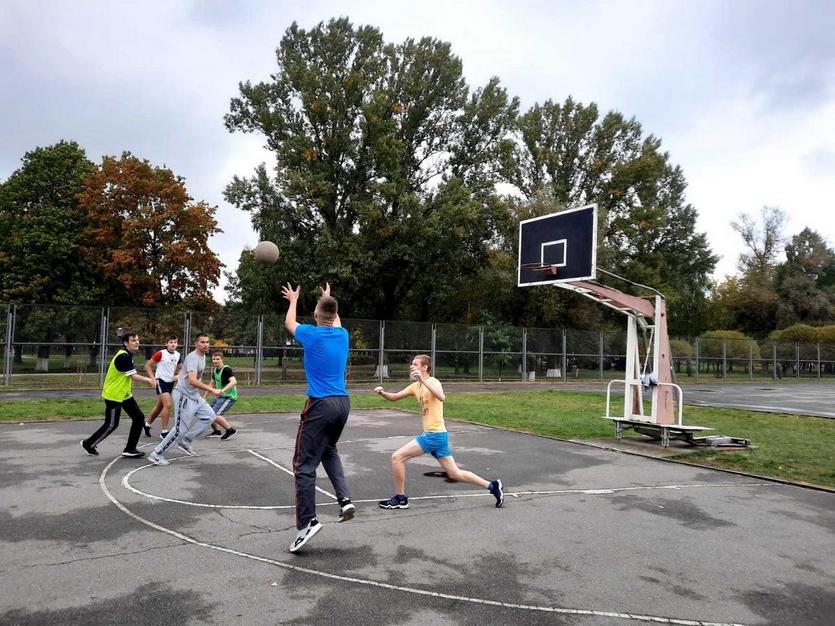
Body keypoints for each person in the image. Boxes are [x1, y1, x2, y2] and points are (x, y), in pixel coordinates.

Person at [374, 354, 504, 509]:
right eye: (412, 364)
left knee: (397, 457)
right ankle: (493, 486)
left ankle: (401, 498)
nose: (411, 366)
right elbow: (395, 397)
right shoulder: (415, 386)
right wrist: (382, 392)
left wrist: (423, 380)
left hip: (434, 435)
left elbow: (441, 397)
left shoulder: (433, 382)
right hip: (438, 436)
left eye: (415, 364)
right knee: (454, 473)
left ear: (424, 368)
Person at [281, 282, 355, 553]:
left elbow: (289, 322)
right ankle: (345, 499)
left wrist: (293, 299)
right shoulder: (343, 334)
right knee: (329, 450)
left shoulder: (312, 335)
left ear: (316, 314)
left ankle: (307, 523)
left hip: (321, 405)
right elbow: (335, 318)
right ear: (335, 316)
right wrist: (327, 298)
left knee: (303, 465)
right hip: (343, 404)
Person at [148, 334, 221, 466]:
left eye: (207, 342)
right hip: (183, 395)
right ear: (196, 344)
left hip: (194, 395)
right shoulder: (192, 357)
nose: (206, 344)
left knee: (210, 416)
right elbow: (192, 380)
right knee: (179, 429)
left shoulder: (203, 356)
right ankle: (157, 454)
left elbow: (190, 377)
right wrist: (212, 390)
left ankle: (186, 440)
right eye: (202, 342)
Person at [81, 330, 156, 458]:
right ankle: (89, 444)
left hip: (124, 394)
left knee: (138, 418)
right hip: (114, 395)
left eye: (137, 340)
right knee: (111, 424)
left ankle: (130, 449)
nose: (137, 342)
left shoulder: (127, 355)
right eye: (133, 340)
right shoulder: (124, 357)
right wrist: (149, 379)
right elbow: (133, 376)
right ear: (126, 343)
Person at [143, 335, 183, 439]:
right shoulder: (161, 353)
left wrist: (178, 375)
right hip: (160, 380)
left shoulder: (178, 355)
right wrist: (152, 379)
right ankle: (164, 432)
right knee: (168, 405)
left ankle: (147, 424)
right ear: (166, 344)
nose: (173, 344)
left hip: (170, 382)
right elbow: (148, 366)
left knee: (160, 406)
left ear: (177, 344)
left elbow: (182, 369)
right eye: (170, 342)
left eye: (175, 342)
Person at [205, 350, 238, 440]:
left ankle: (230, 430)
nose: (215, 361)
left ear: (222, 359)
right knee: (208, 412)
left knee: (215, 415)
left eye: (217, 359)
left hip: (229, 397)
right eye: (213, 359)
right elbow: (211, 384)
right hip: (220, 397)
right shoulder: (215, 370)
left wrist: (222, 390)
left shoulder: (226, 369)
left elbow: (234, 382)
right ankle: (216, 431)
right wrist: (205, 397)